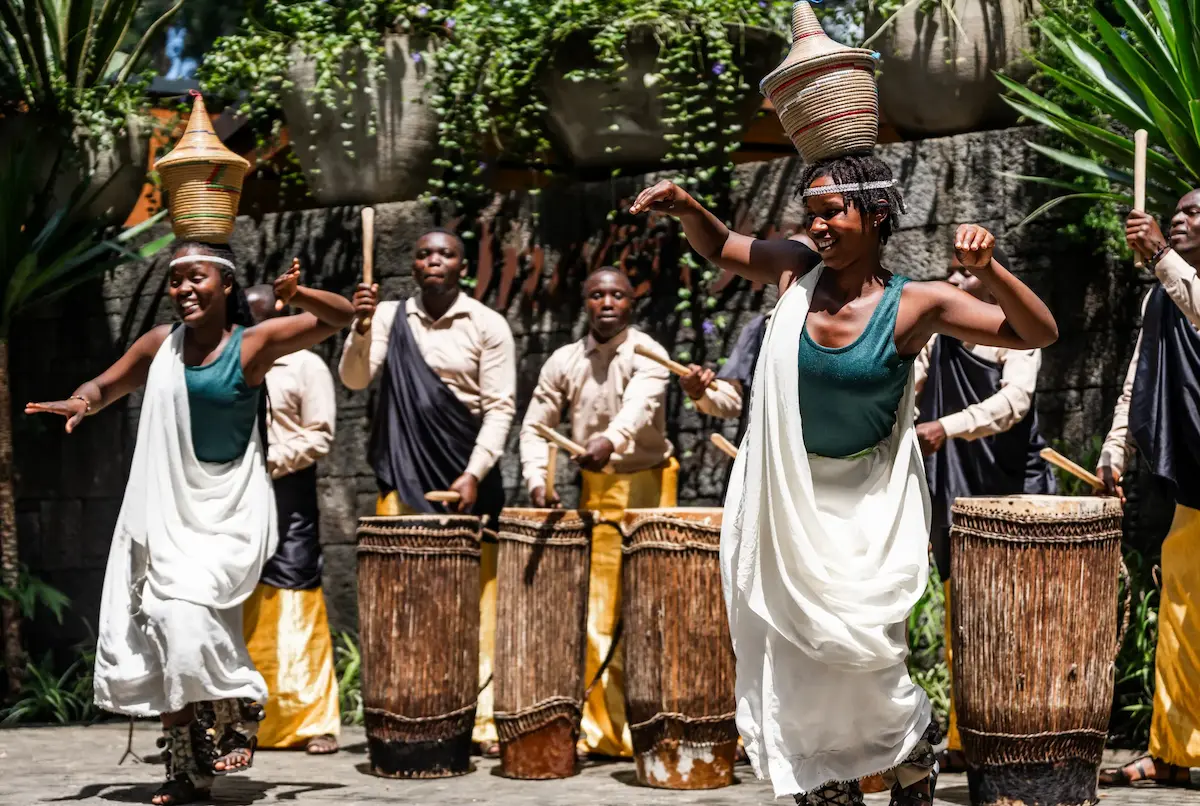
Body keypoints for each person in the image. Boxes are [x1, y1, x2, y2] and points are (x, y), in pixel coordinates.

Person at [630, 153, 1057, 806]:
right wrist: (687, 206)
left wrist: (988, 270)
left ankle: (910, 747)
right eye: (812, 214)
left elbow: (1036, 333)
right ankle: (826, 784)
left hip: (865, 510)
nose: (818, 226)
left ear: (876, 214)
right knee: (798, 656)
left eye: (832, 212)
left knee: (863, 656)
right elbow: (721, 246)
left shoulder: (917, 306)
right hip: (784, 498)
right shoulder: (793, 268)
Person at [26, 243, 354, 805]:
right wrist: (80, 402)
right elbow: (105, 386)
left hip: (229, 512)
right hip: (169, 508)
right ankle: (186, 771)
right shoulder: (161, 346)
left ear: (225, 285)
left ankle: (236, 704)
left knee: (182, 613)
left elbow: (343, 317)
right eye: (174, 280)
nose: (181, 289)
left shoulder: (254, 344)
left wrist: (295, 295)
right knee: (162, 619)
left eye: (194, 277)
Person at [338, 228, 517, 756]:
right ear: (412, 266)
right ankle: (413, 709)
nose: (434, 260)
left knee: (477, 603)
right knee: (405, 602)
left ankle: (481, 716)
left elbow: (500, 406)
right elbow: (353, 380)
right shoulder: (389, 317)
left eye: (445, 253)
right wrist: (360, 326)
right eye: (424, 254)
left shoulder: (488, 324)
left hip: (468, 480)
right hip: (403, 473)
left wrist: (474, 472)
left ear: (461, 266)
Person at [519, 266, 677, 758]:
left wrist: (610, 440)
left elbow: (640, 406)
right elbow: (536, 425)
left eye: (617, 295)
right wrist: (536, 481)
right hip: (595, 490)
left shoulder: (649, 352)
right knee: (597, 613)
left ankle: (653, 727)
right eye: (596, 295)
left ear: (632, 302)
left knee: (651, 612)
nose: (606, 302)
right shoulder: (563, 360)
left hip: (651, 486)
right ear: (585, 303)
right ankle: (599, 730)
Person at [910, 247, 1056, 773]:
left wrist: (944, 426)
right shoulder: (936, 334)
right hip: (955, 485)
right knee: (960, 616)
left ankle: (1018, 731)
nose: (951, 276)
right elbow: (910, 387)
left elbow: (1014, 404)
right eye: (950, 270)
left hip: (1011, 488)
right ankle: (960, 735)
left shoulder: (1018, 337)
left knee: (1016, 619)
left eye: (963, 271)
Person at [1096, 188, 1200, 790]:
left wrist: (1160, 250)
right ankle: (1172, 752)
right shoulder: (1160, 296)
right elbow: (1141, 377)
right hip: (1193, 481)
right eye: (1175, 213)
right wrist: (1115, 447)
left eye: (1194, 213)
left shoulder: (1174, 278)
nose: (1180, 220)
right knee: (1181, 621)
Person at [240, 285, 341, 756]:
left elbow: (320, 436)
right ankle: (243, 721)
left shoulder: (305, 365)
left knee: (296, 601)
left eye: (263, 320)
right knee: (243, 606)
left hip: (289, 494)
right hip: (237, 499)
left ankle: (314, 721)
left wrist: (267, 460)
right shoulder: (232, 364)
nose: (257, 329)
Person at [680, 233, 817, 431]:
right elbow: (732, 399)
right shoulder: (760, 328)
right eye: (785, 270)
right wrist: (700, 392)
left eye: (805, 269)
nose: (794, 278)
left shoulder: (848, 323)